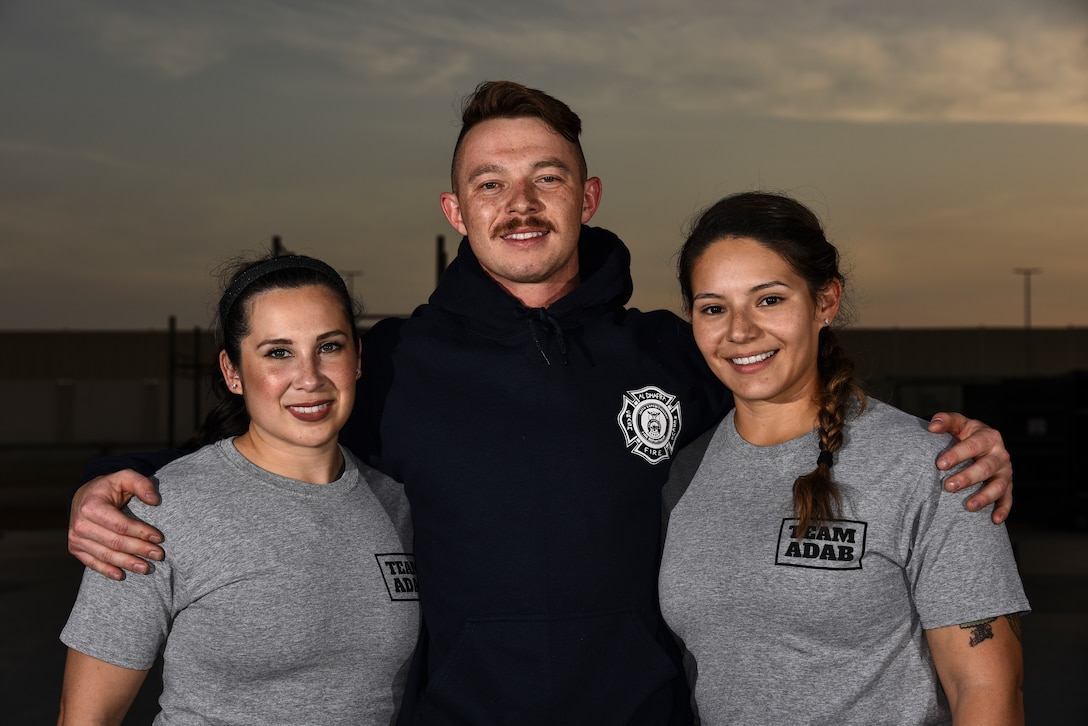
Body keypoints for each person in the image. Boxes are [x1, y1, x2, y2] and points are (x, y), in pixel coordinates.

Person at [67, 82, 1015, 725]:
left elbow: (790, 392)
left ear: (587, 196)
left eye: (546, 178)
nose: (520, 203)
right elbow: (263, 437)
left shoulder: (671, 350)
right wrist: (110, 490)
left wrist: (954, 448)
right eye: (491, 184)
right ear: (456, 211)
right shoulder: (391, 361)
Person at [659, 192, 1029, 725]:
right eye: (713, 308)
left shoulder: (933, 468)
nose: (739, 331)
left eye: (769, 299)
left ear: (825, 302)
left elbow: (987, 691)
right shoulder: (685, 469)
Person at [58, 255, 418, 725]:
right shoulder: (158, 512)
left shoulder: (395, 506)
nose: (309, 379)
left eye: (329, 347)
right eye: (278, 352)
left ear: (357, 361)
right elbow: (87, 718)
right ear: (232, 371)